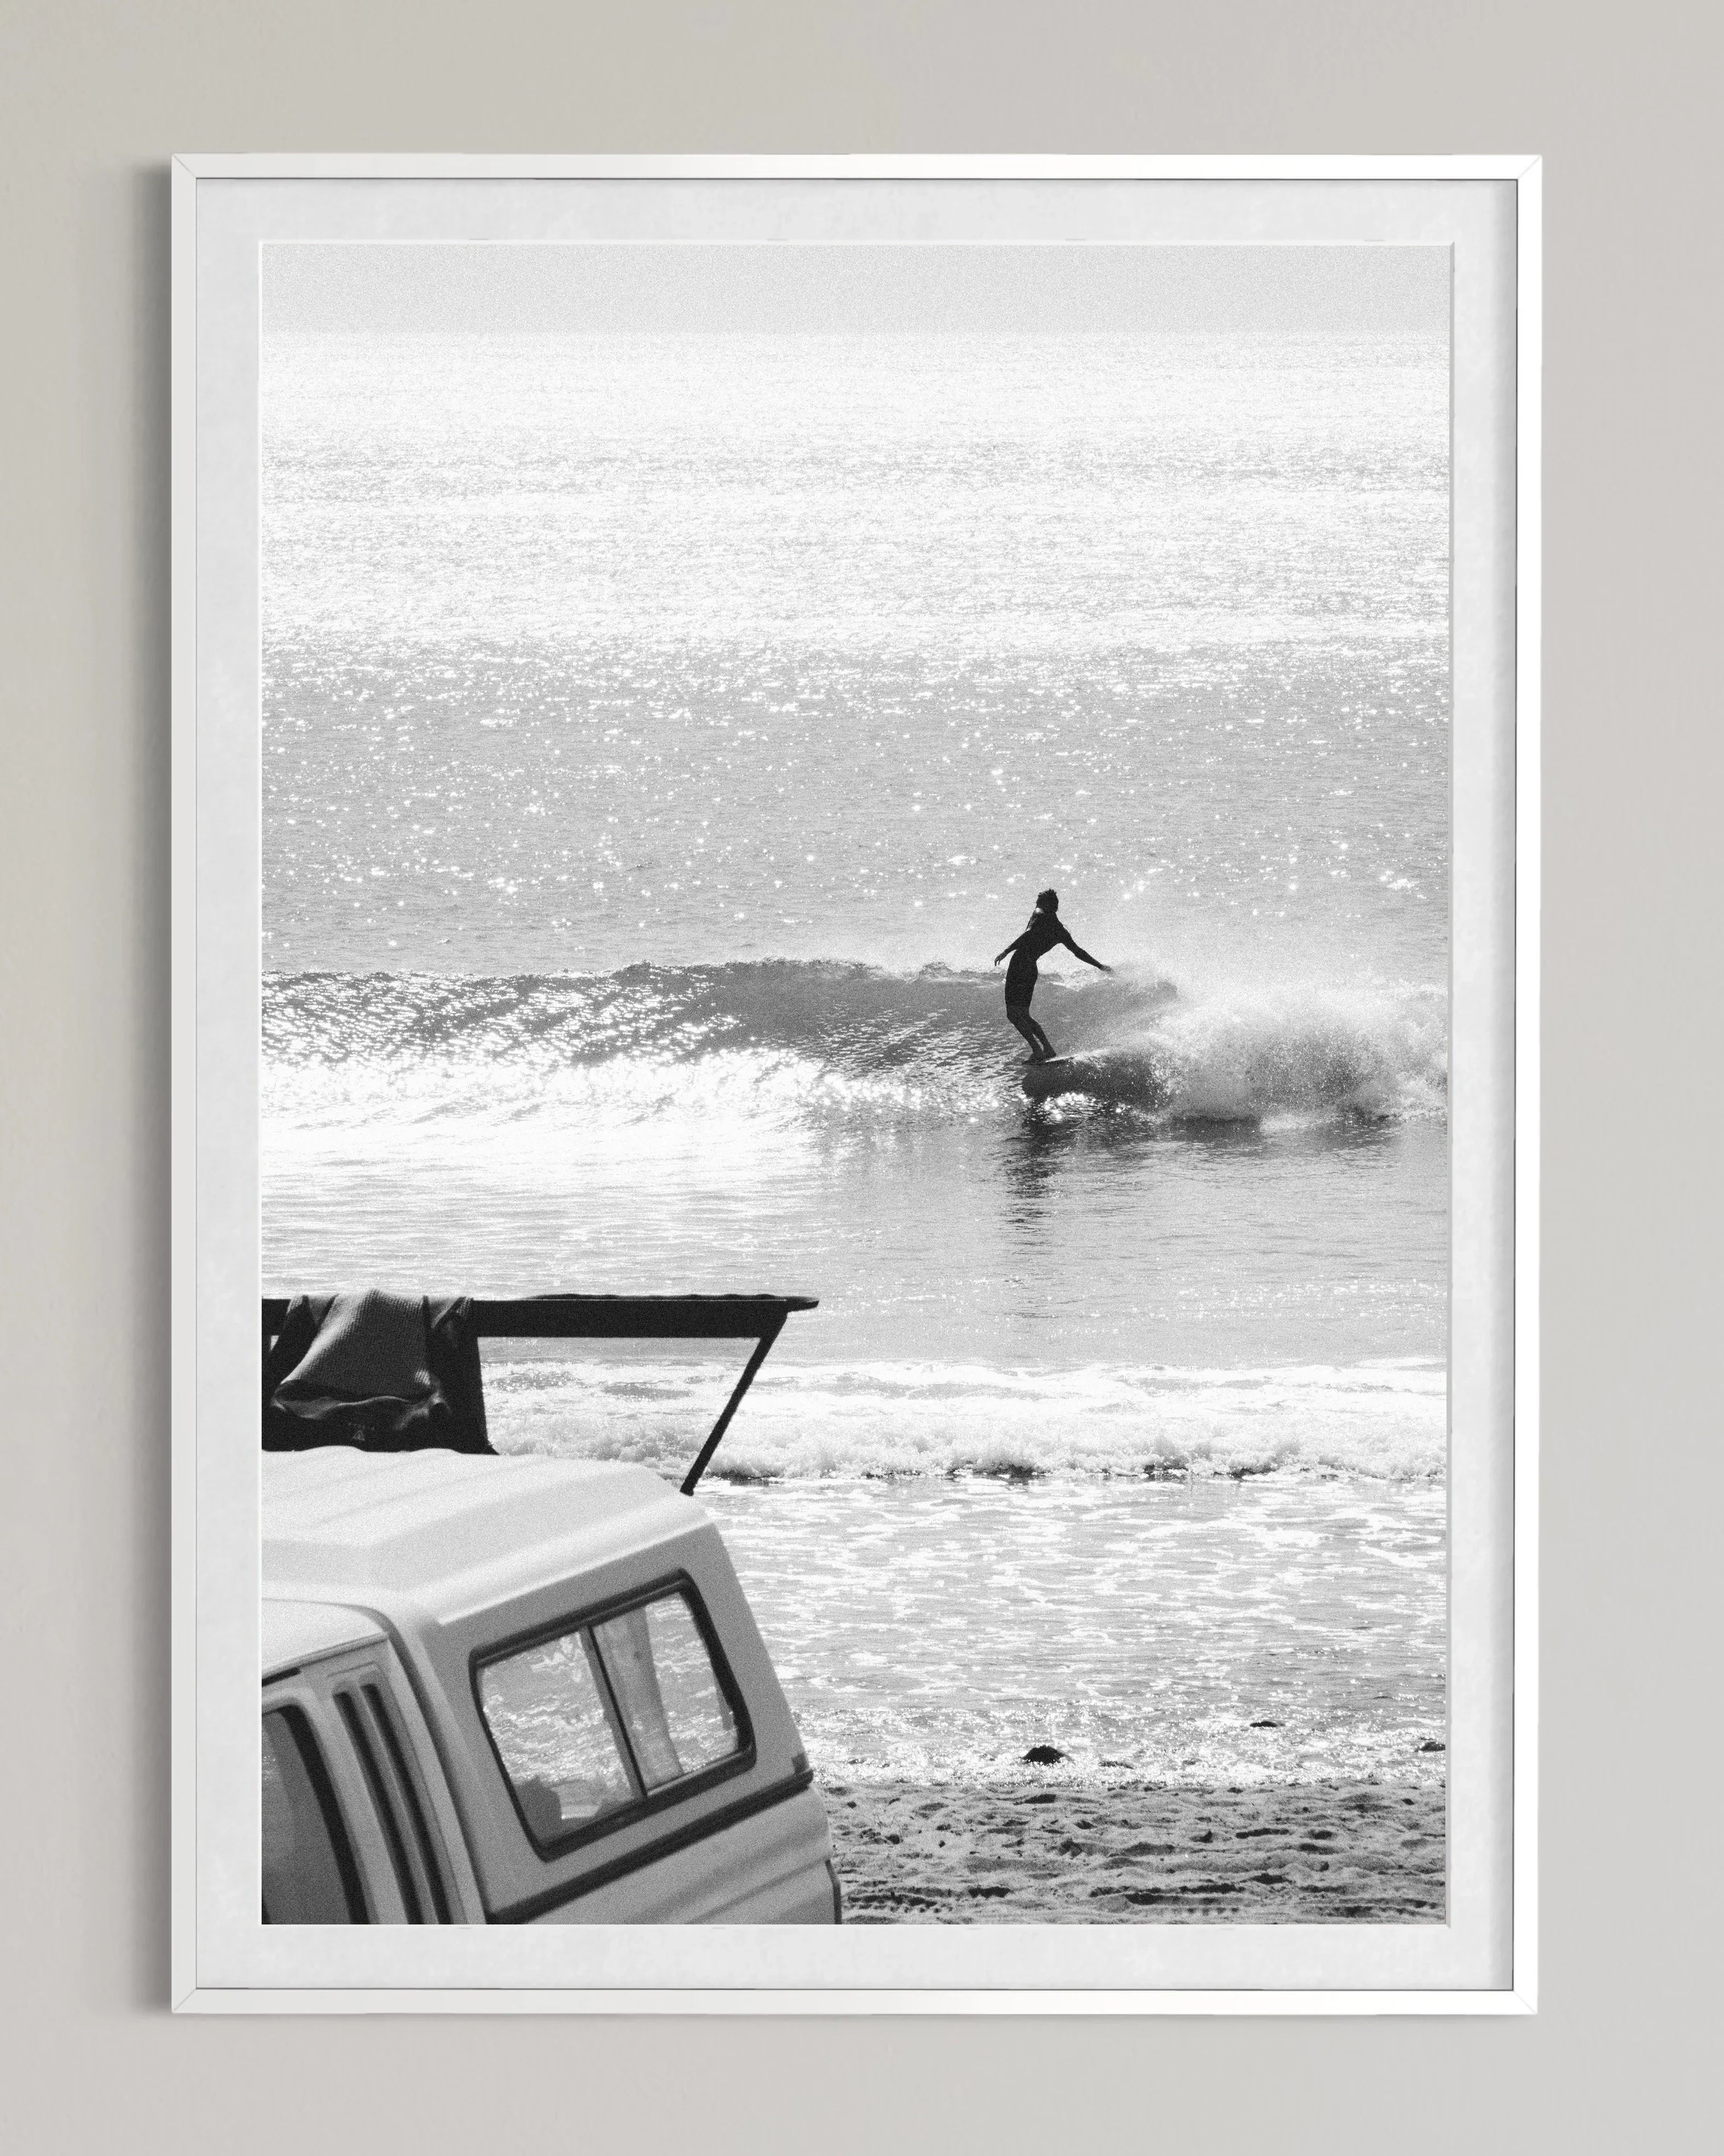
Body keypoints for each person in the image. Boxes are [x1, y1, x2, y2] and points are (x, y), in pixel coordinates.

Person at [993, 889, 1111, 1062]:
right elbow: (1078, 952)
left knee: (1013, 1014)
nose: (1036, 905)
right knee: (1024, 1014)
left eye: (1039, 902)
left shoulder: (1039, 914)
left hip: (1019, 966)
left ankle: (1037, 1050)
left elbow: (1028, 935)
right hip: (1031, 968)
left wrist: (1006, 951)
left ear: (1047, 905)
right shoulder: (1060, 931)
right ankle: (1047, 1049)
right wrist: (1100, 966)